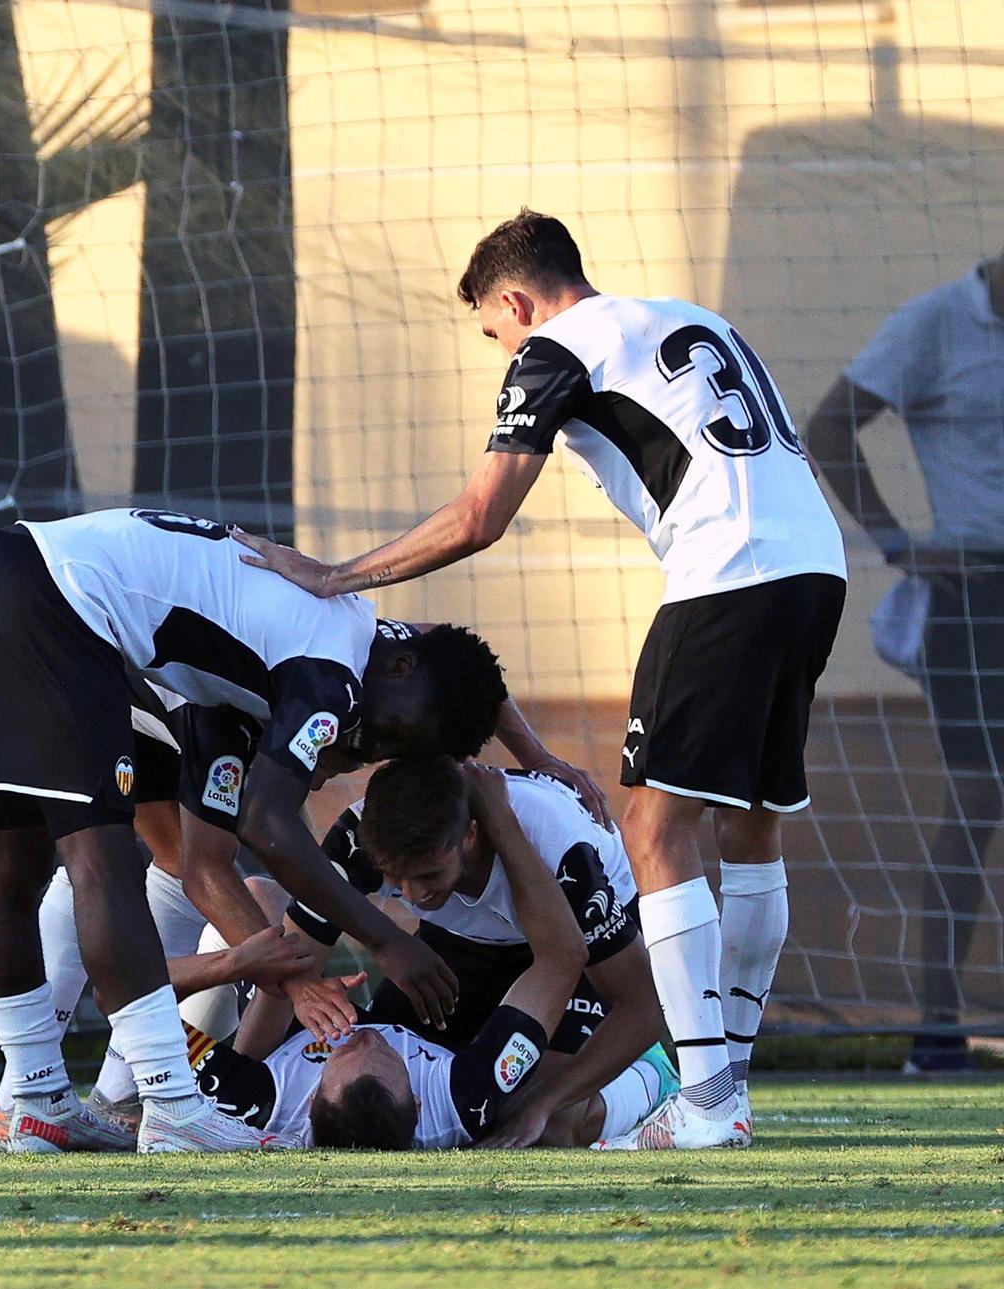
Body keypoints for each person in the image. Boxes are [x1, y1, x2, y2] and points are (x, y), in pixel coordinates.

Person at [236, 210, 848, 1149]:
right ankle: (727, 1081)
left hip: (726, 575)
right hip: (813, 568)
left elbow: (482, 515)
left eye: (495, 332)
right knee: (751, 831)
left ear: (516, 301)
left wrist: (332, 575)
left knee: (651, 825)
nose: (504, 353)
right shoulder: (687, 317)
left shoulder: (557, 344)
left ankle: (712, 1099)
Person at [0, 507, 507, 1152]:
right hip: (62, 602)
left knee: (15, 859)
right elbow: (268, 825)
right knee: (104, 861)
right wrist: (385, 941)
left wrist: (538, 756)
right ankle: (168, 1102)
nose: (368, 743)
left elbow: (452, 662)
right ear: (402, 671)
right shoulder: (335, 673)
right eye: (388, 735)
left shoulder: (286, 672)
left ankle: (34, 1098)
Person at [185, 765, 674, 1149]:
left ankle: (651, 1078)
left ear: (470, 836)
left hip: (570, 944)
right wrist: (246, 1084)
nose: (413, 896)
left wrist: (542, 1104)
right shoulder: (358, 837)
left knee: (542, 1125)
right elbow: (286, 964)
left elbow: (640, 1002)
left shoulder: (565, 854)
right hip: (461, 943)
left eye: (428, 876)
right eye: (396, 881)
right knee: (269, 909)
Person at [803, 250, 1004, 1073]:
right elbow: (827, 427)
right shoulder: (935, 323)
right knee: (976, 803)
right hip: (980, 599)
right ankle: (938, 1024)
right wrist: (897, 542)